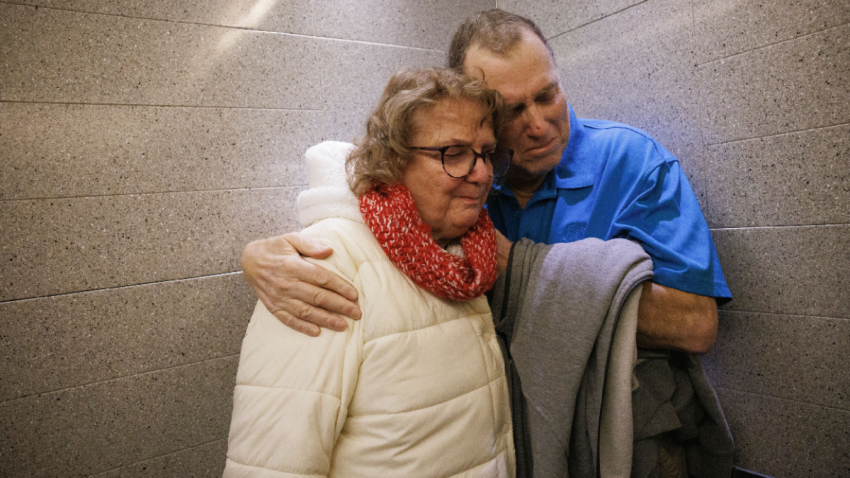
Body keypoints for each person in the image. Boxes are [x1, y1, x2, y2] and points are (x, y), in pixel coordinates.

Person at [239, 9, 732, 354]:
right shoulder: (458, 178)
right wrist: (260, 257)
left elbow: (695, 326)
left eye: (548, 94)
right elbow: (358, 209)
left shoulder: (634, 162)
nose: (538, 124)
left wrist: (519, 269)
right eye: (513, 110)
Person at [224, 68, 516, 477]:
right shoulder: (324, 265)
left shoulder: (471, 256)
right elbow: (271, 464)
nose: (482, 173)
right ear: (393, 160)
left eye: (487, 153)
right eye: (454, 152)